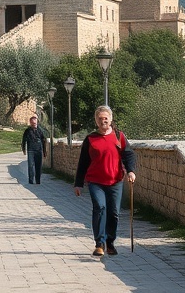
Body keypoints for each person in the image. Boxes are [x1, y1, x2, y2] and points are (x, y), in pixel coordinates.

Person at [73, 105, 137, 257]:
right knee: (100, 208)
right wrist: (78, 183)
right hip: (96, 182)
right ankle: (99, 244)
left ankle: (110, 242)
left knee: (114, 213)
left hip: (115, 181)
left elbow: (129, 155)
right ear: (96, 121)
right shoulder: (91, 139)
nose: (103, 121)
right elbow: (83, 162)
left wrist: (131, 171)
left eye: (105, 118)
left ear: (111, 119)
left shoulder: (118, 136)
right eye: (100, 119)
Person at [21, 113, 46, 184]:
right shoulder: (27, 131)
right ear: (30, 122)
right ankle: (31, 181)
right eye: (32, 121)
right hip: (30, 150)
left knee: (38, 166)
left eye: (35, 121)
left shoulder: (40, 130)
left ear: (37, 122)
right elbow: (24, 140)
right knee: (31, 166)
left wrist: (44, 152)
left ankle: (38, 180)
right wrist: (23, 149)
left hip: (39, 150)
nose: (33, 123)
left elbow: (43, 141)